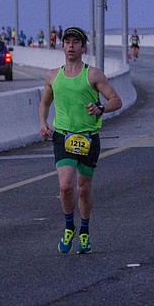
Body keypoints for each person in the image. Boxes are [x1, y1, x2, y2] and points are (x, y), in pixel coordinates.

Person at [39, 27, 122, 255]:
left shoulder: (93, 74)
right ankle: (69, 227)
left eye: (76, 42)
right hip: (63, 136)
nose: (71, 46)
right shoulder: (53, 76)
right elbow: (44, 103)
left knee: (83, 188)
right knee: (65, 186)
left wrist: (101, 108)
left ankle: (84, 231)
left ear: (83, 47)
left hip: (88, 138)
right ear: (63, 46)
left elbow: (116, 100)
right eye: (67, 42)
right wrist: (42, 123)